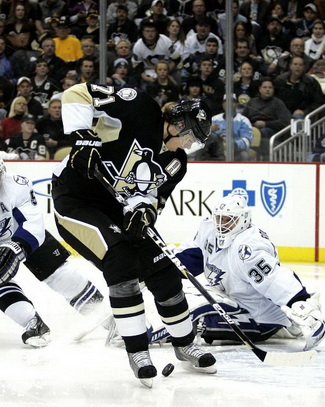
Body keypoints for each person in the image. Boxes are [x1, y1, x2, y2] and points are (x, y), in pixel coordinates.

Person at [51, 82, 217, 387]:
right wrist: (83, 139)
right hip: (75, 200)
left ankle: (185, 343)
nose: (188, 146)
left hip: (116, 209)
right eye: (190, 137)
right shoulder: (138, 106)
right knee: (120, 260)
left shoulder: (175, 163)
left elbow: (152, 198)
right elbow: (77, 93)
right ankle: (138, 351)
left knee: (163, 268)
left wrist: (144, 211)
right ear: (177, 123)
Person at [148, 193, 325, 350]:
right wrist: (158, 267)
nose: (221, 224)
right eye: (219, 218)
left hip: (260, 317)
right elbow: (191, 258)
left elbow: (274, 279)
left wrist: (302, 304)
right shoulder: (210, 229)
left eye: (227, 219)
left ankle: (174, 331)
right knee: (185, 293)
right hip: (231, 299)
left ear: (243, 219)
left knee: (198, 312)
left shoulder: (248, 248)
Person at [0, 146, 111, 347]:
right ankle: (32, 322)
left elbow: (33, 224)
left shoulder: (16, 185)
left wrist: (15, 248)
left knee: (60, 275)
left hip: (21, 234)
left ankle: (107, 316)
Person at [242, 77, 291, 161]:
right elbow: (243, 118)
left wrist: (266, 124)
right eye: (265, 87)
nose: (267, 90)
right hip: (252, 128)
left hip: (270, 130)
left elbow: (284, 122)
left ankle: (265, 159)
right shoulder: (252, 102)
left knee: (263, 132)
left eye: (270, 87)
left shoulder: (278, 103)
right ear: (260, 89)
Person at [273, 55, 325, 119]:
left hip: (303, 115)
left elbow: (319, 102)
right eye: (295, 64)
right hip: (282, 113)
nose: (298, 67)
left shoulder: (311, 82)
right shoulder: (280, 81)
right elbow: (274, 99)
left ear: (304, 67)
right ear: (290, 66)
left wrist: (305, 111)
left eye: (300, 65)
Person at [211, 95, 253, 161]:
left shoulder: (243, 120)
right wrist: (208, 129)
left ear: (236, 104)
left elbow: (247, 140)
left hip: (235, 151)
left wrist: (233, 146)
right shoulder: (214, 119)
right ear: (223, 104)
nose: (229, 104)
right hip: (216, 151)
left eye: (232, 102)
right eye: (226, 101)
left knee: (244, 155)